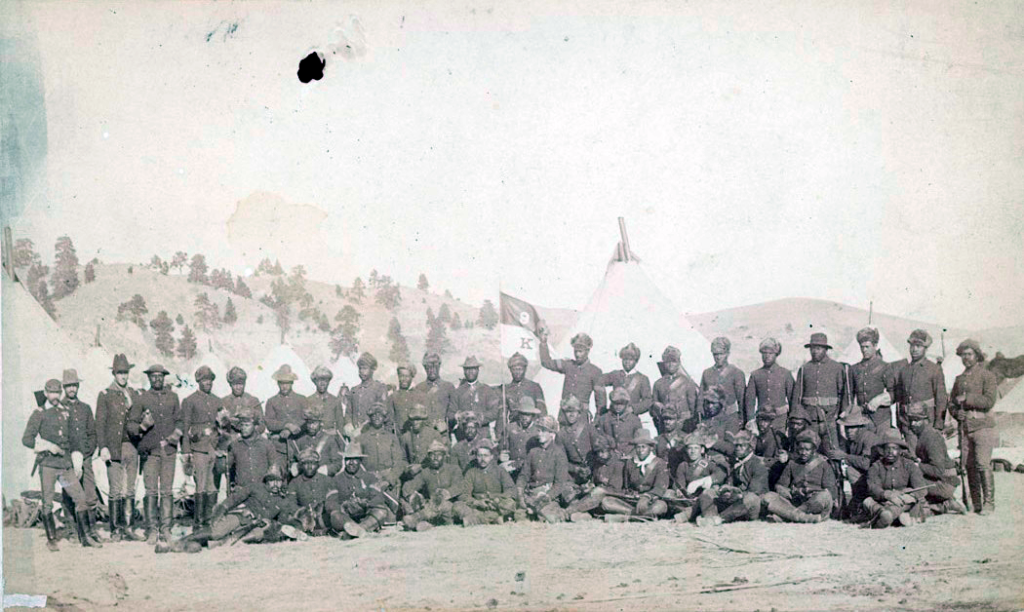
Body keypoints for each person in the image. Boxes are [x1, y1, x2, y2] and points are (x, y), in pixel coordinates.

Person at [155, 464, 303, 553]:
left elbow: (284, 521)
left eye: (277, 481)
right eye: (271, 481)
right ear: (266, 480)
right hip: (241, 517)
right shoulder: (255, 487)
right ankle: (177, 543)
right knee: (218, 531)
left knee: (247, 537)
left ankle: (197, 545)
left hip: (255, 527)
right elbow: (233, 500)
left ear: (282, 482)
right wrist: (220, 512)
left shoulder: (283, 501)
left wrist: (283, 525)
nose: (274, 484)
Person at [23, 379, 95, 551]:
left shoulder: (66, 412)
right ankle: (52, 539)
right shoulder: (39, 413)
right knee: (47, 502)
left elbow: (73, 439)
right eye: (52, 393)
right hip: (48, 465)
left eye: (57, 393)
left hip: (64, 466)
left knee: (80, 498)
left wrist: (77, 460)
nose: (55, 396)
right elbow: (27, 439)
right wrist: (47, 446)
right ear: (46, 393)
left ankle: (84, 538)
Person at [127, 364, 183, 544]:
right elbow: (131, 426)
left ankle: (166, 529)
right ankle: (151, 530)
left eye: (160, 376)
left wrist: (176, 435)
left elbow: (181, 421)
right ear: (149, 378)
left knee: (167, 491)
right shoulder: (142, 398)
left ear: (164, 378)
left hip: (169, 451)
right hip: (149, 452)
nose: (157, 379)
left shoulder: (173, 397)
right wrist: (142, 426)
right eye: (153, 376)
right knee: (151, 491)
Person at [95, 353, 143, 541]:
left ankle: (129, 528)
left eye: (125, 372)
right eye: (119, 373)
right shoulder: (105, 395)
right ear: (114, 374)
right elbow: (100, 423)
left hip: (131, 446)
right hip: (113, 448)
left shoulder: (134, 393)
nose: (123, 376)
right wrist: (103, 447)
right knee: (115, 489)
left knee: (130, 489)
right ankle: (116, 529)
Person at [948, 339, 999, 515]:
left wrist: (967, 398)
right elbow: (952, 403)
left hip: (983, 427)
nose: (966, 358)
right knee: (968, 466)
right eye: (963, 355)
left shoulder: (987, 376)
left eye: (969, 354)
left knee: (982, 464)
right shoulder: (959, 379)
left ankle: (989, 503)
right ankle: (976, 503)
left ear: (977, 356)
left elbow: (989, 401)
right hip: (965, 427)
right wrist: (956, 413)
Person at [62, 369, 105, 544]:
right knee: (69, 494)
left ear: (78, 386)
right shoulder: (59, 408)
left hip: (85, 458)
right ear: (64, 387)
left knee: (90, 493)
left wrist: (86, 453)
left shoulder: (85, 408)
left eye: (74, 385)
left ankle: (91, 530)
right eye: (68, 386)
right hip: (66, 460)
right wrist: (70, 456)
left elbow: (92, 433)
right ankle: (72, 531)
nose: (71, 389)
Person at [181, 365, 224, 533]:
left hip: (214, 448)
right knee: (201, 487)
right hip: (198, 448)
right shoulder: (190, 401)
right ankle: (198, 523)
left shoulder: (217, 400)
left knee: (213, 487)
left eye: (210, 380)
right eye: (204, 380)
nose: (208, 383)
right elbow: (185, 428)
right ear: (198, 381)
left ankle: (209, 521)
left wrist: (222, 447)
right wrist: (186, 451)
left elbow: (223, 426)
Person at [762, 430, 836, 523]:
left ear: (814, 450)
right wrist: (782, 489)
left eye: (807, 450)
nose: (803, 453)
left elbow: (830, 491)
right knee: (768, 497)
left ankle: (786, 516)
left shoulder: (824, 465)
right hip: (796, 501)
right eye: (801, 449)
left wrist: (812, 493)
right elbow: (780, 485)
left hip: (814, 502)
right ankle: (804, 518)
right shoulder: (792, 464)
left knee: (823, 496)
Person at [906, 402, 966, 516]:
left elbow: (938, 470)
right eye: (911, 420)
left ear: (925, 420)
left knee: (911, 481)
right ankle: (943, 503)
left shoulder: (931, 437)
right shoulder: (925, 434)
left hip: (945, 483)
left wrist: (919, 466)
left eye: (917, 420)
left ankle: (939, 505)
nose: (913, 423)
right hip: (942, 481)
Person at [791, 333, 847, 454]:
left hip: (830, 420)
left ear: (825, 349)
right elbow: (797, 396)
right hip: (810, 421)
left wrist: (841, 415)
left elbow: (843, 394)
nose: (815, 351)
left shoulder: (837, 368)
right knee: (808, 452)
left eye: (818, 348)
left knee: (833, 453)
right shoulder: (805, 369)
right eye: (812, 348)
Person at [697, 431, 768, 526]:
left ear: (750, 448)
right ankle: (710, 518)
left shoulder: (758, 464)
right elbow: (730, 482)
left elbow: (754, 491)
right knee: (708, 492)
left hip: (751, 506)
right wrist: (725, 489)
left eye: (742, 446)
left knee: (751, 498)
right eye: (736, 446)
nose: (738, 448)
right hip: (735, 501)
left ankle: (718, 519)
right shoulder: (735, 462)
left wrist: (735, 494)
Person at [325, 443, 395, 538]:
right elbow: (330, 503)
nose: (351, 463)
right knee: (334, 515)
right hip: (345, 518)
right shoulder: (336, 479)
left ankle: (358, 529)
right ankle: (354, 529)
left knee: (381, 511)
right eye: (348, 459)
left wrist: (366, 504)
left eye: (354, 459)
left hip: (366, 517)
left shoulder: (370, 477)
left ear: (360, 461)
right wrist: (343, 506)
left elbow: (378, 498)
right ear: (344, 461)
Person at [894, 330, 947, 453]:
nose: (914, 349)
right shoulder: (904, 371)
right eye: (912, 346)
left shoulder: (934, 369)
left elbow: (941, 398)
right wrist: (901, 423)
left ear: (925, 348)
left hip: (928, 423)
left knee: (929, 455)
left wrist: (938, 424)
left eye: (918, 346)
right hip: (908, 424)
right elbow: (900, 399)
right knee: (912, 456)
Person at [863, 430, 929, 528]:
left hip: (904, 502)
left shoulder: (909, 465)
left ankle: (887, 516)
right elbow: (873, 487)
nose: (890, 452)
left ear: (900, 451)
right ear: (882, 451)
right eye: (887, 448)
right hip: (883, 501)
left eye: (894, 448)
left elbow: (922, 488)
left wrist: (906, 496)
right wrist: (887, 495)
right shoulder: (876, 467)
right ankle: (888, 515)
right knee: (868, 501)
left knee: (912, 502)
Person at [826, 406, 881, 521]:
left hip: (876, 479)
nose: (849, 431)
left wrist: (845, 456)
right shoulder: (853, 440)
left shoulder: (868, 438)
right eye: (847, 427)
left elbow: (865, 463)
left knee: (851, 472)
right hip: (865, 478)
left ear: (861, 427)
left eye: (853, 428)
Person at [539, 329, 607, 420]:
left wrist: (599, 419)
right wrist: (543, 344)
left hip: (581, 417)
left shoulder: (595, 372)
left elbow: (601, 401)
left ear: (587, 351)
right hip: (564, 416)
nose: (577, 354)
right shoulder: (568, 365)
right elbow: (546, 362)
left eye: (580, 351)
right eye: (575, 351)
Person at [601, 430, 670, 519]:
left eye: (643, 447)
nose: (640, 450)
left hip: (650, 500)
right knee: (606, 502)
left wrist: (647, 497)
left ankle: (628, 516)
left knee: (660, 506)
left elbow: (660, 487)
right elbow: (626, 486)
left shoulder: (660, 463)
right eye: (637, 447)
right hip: (633, 500)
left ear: (651, 448)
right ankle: (638, 516)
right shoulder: (630, 462)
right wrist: (629, 494)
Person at [401, 440, 466, 531]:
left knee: (444, 504)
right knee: (431, 506)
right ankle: (428, 524)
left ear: (444, 456)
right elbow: (408, 487)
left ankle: (417, 519)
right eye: (432, 455)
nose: (435, 458)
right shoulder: (426, 472)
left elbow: (460, 486)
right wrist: (412, 496)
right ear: (428, 457)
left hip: (452, 507)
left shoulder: (453, 469)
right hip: (433, 509)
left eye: (439, 455)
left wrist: (446, 493)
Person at [515, 416, 571, 523]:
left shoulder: (559, 454)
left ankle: (559, 513)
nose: (539, 434)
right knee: (519, 517)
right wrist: (520, 493)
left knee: (547, 517)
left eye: (544, 431)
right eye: (539, 430)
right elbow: (523, 476)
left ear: (552, 434)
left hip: (547, 496)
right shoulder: (533, 452)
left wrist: (548, 497)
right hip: (531, 495)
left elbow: (560, 483)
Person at [455, 438, 519, 525]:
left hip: (496, 505)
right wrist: (477, 502)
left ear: (492, 456)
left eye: (486, 455)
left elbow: (512, 490)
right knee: (457, 506)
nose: (482, 459)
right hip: (478, 507)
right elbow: (464, 494)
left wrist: (497, 498)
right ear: (476, 456)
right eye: (479, 455)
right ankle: (494, 519)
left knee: (510, 504)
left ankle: (476, 520)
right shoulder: (471, 472)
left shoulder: (500, 470)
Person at [563, 435, 624, 521]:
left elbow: (615, 489)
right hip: (596, 497)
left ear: (610, 450)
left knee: (598, 492)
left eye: (603, 452)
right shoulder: (598, 464)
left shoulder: (618, 465)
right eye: (598, 452)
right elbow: (594, 481)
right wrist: (589, 486)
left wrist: (596, 488)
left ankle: (568, 512)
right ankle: (584, 515)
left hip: (612, 498)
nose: (601, 455)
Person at [848, 327, 898, 431]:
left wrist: (878, 400)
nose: (864, 350)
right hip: (861, 420)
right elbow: (849, 397)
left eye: (867, 346)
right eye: (862, 347)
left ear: (875, 346)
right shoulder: (854, 369)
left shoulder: (885, 367)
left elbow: (895, 394)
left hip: (881, 420)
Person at [672, 431, 727, 524]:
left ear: (702, 450)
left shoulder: (708, 464)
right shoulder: (683, 465)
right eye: (690, 448)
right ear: (686, 450)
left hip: (705, 499)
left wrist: (704, 481)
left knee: (707, 496)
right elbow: (679, 482)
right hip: (689, 499)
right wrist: (679, 490)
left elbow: (720, 474)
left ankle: (702, 516)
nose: (692, 451)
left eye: (696, 448)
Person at [744, 338, 795, 432]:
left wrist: (791, 420)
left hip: (780, 420)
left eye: (770, 353)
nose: (767, 356)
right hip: (762, 421)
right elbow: (749, 401)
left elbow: (793, 399)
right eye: (764, 353)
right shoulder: (755, 375)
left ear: (776, 354)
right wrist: (751, 421)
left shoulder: (785, 374)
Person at [355, 402, 407, 490]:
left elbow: (399, 462)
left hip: (389, 478)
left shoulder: (391, 437)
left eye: (380, 415)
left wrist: (389, 480)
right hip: (369, 478)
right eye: (374, 415)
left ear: (384, 418)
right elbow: (357, 463)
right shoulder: (361, 438)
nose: (377, 417)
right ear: (370, 418)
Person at [264, 364, 308, 466]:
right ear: (277, 383)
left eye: (287, 383)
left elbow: (306, 420)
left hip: (299, 444)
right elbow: (269, 423)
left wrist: (293, 428)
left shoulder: (302, 399)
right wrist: (286, 425)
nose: (284, 386)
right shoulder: (271, 401)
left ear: (292, 383)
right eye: (281, 383)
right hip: (279, 446)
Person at [497, 353, 547, 441]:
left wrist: (543, 431)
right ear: (510, 370)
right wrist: (500, 435)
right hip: (514, 429)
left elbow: (542, 412)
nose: (517, 372)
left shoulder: (534, 387)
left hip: (532, 429)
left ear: (525, 369)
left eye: (520, 369)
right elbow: (502, 415)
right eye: (514, 369)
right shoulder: (506, 389)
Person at [227, 407, 278, 490]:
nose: (243, 428)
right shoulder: (235, 445)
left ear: (255, 426)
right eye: (241, 425)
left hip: (262, 490)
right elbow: (225, 468)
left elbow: (274, 466)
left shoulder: (267, 444)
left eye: (247, 425)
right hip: (241, 490)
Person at [286, 448, 334, 535]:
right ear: (301, 465)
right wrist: (304, 513)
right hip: (304, 518)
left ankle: (323, 530)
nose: (309, 467)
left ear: (318, 465)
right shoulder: (295, 482)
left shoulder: (327, 480)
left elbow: (333, 500)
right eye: (306, 464)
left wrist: (322, 509)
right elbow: (291, 503)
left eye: (313, 463)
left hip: (323, 516)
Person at [556, 397, 602, 486]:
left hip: (593, 471)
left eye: (574, 412)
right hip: (573, 475)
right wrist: (576, 469)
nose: (571, 415)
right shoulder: (561, 435)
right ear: (564, 414)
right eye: (568, 412)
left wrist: (591, 467)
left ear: (579, 414)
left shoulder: (589, 429)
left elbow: (599, 451)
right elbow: (561, 461)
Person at [700, 337, 747, 427]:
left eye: (721, 354)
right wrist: (701, 415)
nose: (718, 357)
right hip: (711, 419)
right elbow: (701, 397)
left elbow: (741, 399)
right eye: (715, 354)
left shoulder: (736, 373)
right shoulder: (707, 373)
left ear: (727, 354)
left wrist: (742, 419)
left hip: (730, 418)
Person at [651, 346, 699, 434]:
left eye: (674, 361)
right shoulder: (658, 384)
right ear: (664, 363)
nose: (670, 364)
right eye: (667, 362)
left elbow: (693, 408)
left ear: (679, 363)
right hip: (665, 424)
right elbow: (654, 407)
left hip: (684, 425)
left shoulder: (688, 382)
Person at [288, 406, 345, 477]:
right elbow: (293, 461)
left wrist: (325, 470)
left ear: (320, 423)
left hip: (323, 479)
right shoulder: (300, 441)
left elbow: (337, 463)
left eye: (314, 423)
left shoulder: (330, 440)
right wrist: (297, 467)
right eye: (309, 423)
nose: (311, 426)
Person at [599, 343, 653, 417]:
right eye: (625, 359)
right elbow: (598, 380)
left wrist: (633, 408)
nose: (627, 362)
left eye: (631, 359)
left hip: (631, 417)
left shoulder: (642, 379)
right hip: (613, 416)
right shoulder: (615, 374)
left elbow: (648, 401)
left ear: (636, 361)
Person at [452, 356, 500, 431]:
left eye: (473, 369)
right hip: (463, 436)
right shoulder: (458, 392)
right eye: (467, 369)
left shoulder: (487, 390)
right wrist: (460, 416)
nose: (470, 371)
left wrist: (479, 417)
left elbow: (495, 412)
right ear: (464, 371)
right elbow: (450, 413)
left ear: (478, 370)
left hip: (482, 434)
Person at [413, 353, 456, 436]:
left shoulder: (448, 387)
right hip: (424, 434)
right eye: (429, 367)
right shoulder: (419, 388)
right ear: (425, 368)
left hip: (443, 434)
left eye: (435, 367)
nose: (432, 370)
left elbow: (453, 412)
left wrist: (446, 425)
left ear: (439, 367)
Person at [347, 353, 390, 437]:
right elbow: (348, 412)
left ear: (372, 369)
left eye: (365, 368)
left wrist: (363, 428)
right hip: (354, 435)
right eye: (360, 369)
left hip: (372, 434)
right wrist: (349, 426)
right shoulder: (354, 390)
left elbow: (382, 413)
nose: (362, 372)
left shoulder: (379, 388)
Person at [501, 396, 543, 476]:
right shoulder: (510, 428)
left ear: (533, 415)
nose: (524, 418)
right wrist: (501, 456)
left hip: (531, 470)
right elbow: (501, 449)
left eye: (528, 415)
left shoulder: (537, 431)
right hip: (511, 469)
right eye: (522, 414)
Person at [596, 388, 643, 455]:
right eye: (616, 403)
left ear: (626, 404)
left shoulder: (634, 420)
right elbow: (599, 438)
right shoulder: (604, 419)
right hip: (610, 456)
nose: (618, 406)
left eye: (621, 404)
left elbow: (639, 441)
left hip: (629, 455)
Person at [400, 404, 447, 468]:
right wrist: (408, 467)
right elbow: (403, 458)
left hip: (430, 470)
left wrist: (421, 466)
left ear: (424, 420)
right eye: (413, 420)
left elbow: (440, 457)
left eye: (418, 419)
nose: (415, 422)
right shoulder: (406, 437)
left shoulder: (434, 434)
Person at [306, 365, 346, 435]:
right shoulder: (308, 400)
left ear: (329, 381)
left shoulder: (335, 401)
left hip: (331, 439)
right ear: (314, 381)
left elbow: (340, 426)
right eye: (319, 380)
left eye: (325, 380)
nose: (322, 383)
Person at [387, 363, 421, 434]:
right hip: (398, 438)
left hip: (415, 437)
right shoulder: (393, 397)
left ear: (412, 377)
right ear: (398, 376)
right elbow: (389, 421)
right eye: (401, 376)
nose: (404, 379)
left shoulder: (419, 395)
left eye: (407, 376)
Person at [653, 406, 687, 476]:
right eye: (665, 419)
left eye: (671, 419)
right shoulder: (657, 439)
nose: (667, 422)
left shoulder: (685, 438)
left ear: (677, 420)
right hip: (662, 474)